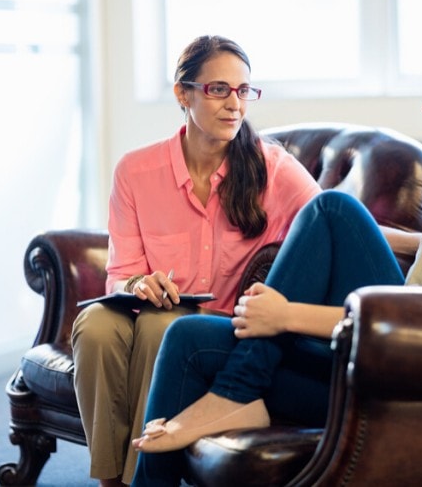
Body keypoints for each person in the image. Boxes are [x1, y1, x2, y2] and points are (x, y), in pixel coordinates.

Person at [130, 28, 422, 486]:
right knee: (188, 335)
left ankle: (236, 391)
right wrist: (358, 234)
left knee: (332, 207)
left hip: (416, 380)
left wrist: (287, 316)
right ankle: (220, 409)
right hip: (382, 351)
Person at [70, 35, 320, 487]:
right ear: (182, 94)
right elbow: (120, 275)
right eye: (218, 89)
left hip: (215, 327)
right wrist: (138, 285)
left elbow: (329, 225)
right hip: (145, 310)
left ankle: (141, 476)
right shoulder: (135, 170)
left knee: (162, 328)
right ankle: (110, 479)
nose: (235, 104)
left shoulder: (273, 169)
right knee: (95, 329)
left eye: (244, 91)